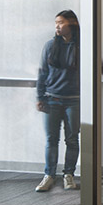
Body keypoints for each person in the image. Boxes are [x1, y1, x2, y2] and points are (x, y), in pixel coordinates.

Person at [36, 10, 81, 192]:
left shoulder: (81, 46)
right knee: (51, 139)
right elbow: (42, 73)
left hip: (74, 100)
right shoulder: (50, 46)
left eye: (61, 22)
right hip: (52, 99)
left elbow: (96, 66)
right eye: (56, 22)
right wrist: (39, 97)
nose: (57, 26)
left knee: (72, 139)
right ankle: (49, 175)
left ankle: (68, 175)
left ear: (71, 24)